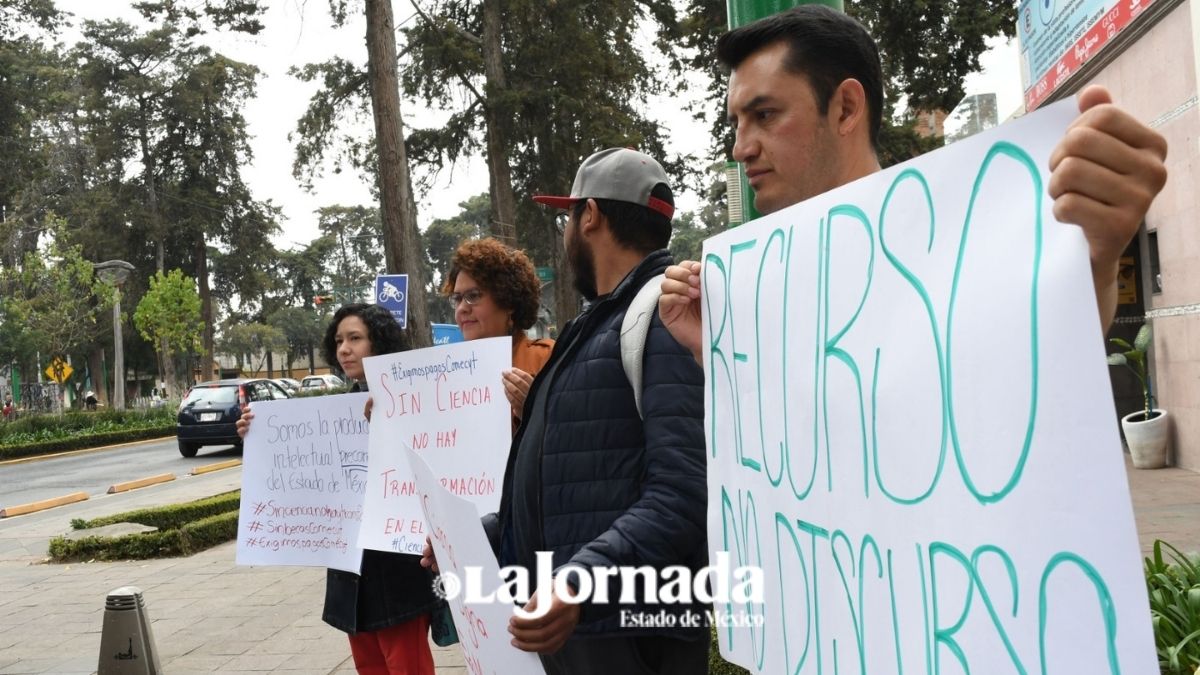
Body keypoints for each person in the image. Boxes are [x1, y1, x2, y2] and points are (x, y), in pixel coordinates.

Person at [660, 5, 1169, 359]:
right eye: (736, 123)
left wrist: (1098, 262)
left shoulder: (962, 238)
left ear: (846, 108)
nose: (740, 147)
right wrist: (719, 354)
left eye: (765, 114)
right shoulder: (760, 285)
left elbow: (1041, 355)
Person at [425, 148, 709, 674]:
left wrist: (579, 580)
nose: (566, 231)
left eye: (568, 217)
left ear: (592, 216)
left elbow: (684, 494)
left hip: (623, 637)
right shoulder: (594, 324)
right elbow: (563, 487)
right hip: (579, 630)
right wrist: (473, 538)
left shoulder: (666, 318)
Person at [239, 304, 440, 675]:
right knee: (370, 665)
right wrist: (258, 434)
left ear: (379, 344)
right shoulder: (339, 410)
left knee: (405, 666)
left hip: (397, 565)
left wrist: (391, 422)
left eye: (355, 339)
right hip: (351, 566)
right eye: (339, 341)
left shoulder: (413, 400)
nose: (344, 349)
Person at [440, 237, 554, 428]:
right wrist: (384, 418)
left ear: (508, 302)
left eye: (473, 296)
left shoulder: (547, 359)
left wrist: (533, 410)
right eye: (457, 298)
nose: (461, 309)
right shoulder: (445, 377)